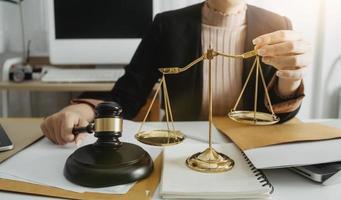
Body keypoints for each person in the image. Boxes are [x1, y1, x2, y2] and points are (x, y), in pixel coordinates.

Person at [41, 0, 311, 145]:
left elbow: (279, 116)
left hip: (250, 145)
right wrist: (82, 111)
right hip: (184, 147)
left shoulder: (277, 24)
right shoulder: (167, 25)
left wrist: (291, 74)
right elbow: (127, 95)